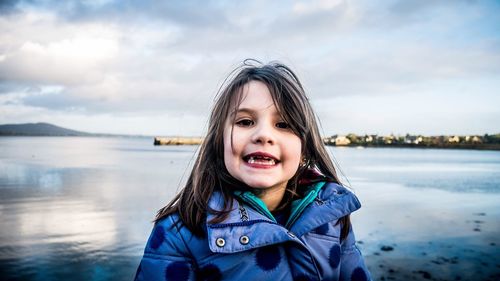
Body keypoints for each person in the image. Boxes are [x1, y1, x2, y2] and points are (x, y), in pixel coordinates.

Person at [135, 59, 371, 281]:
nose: (264, 135)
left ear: (305, 150)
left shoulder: (331, 216)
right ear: (219, 143)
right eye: (245, 122)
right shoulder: (180, 232)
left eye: (283, 124)